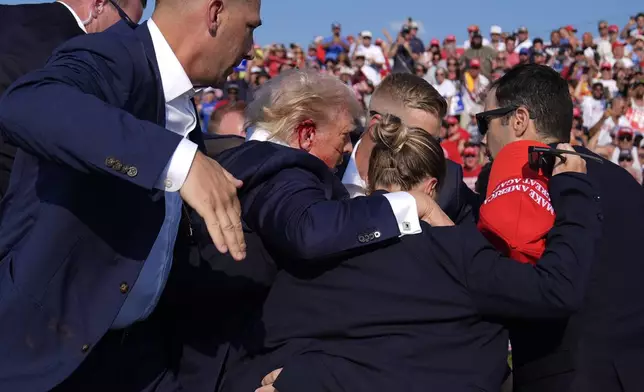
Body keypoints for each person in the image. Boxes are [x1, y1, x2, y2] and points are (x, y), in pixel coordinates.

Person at [225, 114, 600, 392]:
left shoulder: (315, 245)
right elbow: (557, 288)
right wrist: (572, 188)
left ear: (370, 181)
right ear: (432, 186)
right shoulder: (458, 255)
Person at [0, 0, 259, 389]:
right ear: (215, 13)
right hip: (44, 356)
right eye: (250, 27)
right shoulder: (113, 56)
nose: (251, 47)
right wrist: (176, 160)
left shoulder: (181, 105)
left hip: (136, 357)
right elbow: (28, 104)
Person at [166, 69, 443, 392]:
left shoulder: (238, 158)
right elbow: (310, 230)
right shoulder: (284, 169)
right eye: (342, 135)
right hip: (238, 367)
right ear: (307, 134)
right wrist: (411, 204)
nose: (347, 147)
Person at [478, 64, 644, 392]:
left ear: (518, 119)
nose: (484, 137)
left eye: (487, 121)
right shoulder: (624, 181)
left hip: (563, 377)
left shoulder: (517, 180)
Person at [0, 0, 145, 199]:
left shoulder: (6, 14)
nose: (129, 36)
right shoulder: (83, 60)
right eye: (128, 24)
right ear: (99, 5)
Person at [338, 72, 478, 223]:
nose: (429, 151)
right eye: (418, 138)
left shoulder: (446, 183)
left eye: (434, 142)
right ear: (377, 127)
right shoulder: (325, 169)